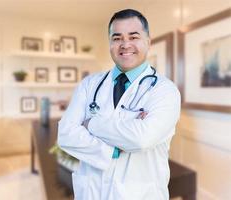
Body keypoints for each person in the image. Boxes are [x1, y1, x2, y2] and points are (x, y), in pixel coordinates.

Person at [58, 8, 181, 200]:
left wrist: (90, 124)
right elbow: (65, 133)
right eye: (117, 38)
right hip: (91, 192)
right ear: (110, 43)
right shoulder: (90, 85)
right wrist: (112, 150)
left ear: (148, 42)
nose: (125, 44)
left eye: (133, 37)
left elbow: (142, 138)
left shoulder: (165, 91)